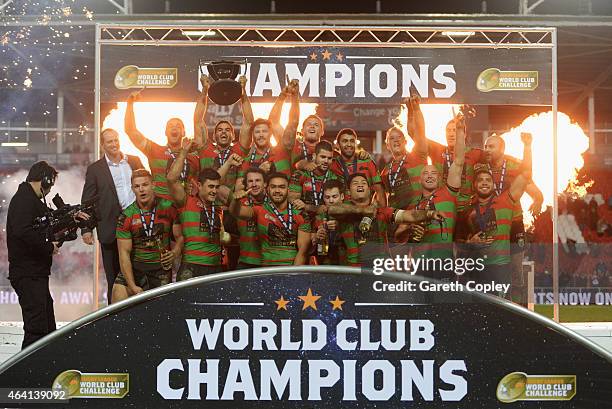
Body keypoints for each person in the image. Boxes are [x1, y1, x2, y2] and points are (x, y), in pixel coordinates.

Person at [7, 161, 88, 349]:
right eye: (50, 183)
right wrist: (47, 247)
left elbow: (52, 223)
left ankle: (43, 370)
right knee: (36, 329)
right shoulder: (24, 199)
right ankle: (28, 374)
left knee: (47, 327)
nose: (51, 189)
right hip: (28, 273)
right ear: (45, 179)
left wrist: (72, 219)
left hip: (35, 273)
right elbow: (23, 231)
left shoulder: (32, 200)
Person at [456, 132, 533, 297]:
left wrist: (527, 147)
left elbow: (526, 174)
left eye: (488, 180)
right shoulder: (467, 210)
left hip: (499, 268)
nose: (484, 182)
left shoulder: (505, 201)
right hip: (475, 268)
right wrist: (470, 242)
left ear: (493, 185)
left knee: (503, 307)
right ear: (474, 185)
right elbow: (457, 243)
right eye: (480, 180)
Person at [80, 128, 144, 305]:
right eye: (110, 142)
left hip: (137, 228)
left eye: (116, 140)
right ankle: (115, 320)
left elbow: (146, 187)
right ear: (102, 145)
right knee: (115, 280)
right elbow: (87, 202)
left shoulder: (134, 161)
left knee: (139, 277)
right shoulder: (95, 169)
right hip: (110, 231)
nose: (114, 144)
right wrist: (86, 229)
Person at [399, 115, 466, 279]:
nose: (429, 176)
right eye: (425, 173)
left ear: (439, 178)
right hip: (419, 267)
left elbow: (458, 161)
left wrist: (459, 130)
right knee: (420, 305)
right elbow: (398, 235)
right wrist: (409, 228)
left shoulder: (448, 194)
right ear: (420, 179)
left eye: (433, 173)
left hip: (444, 266)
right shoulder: (414, 205)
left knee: (444, 304)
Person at [327, 173, 443, 267]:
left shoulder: (382, 212)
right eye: (355, 183)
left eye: (363, 183)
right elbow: (332, 209)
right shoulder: (343, 211)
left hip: (381, 268)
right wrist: (363, 210)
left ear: (370, 190)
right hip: (355, 271)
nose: (360, 185)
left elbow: (409, 215)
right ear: (348, 192)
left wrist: (429, 213)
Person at [112, 169, 182, 302]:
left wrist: (174, 253)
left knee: (160, 314)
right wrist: (132, 286)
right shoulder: (126, 216)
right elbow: (124, 254)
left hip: (159, 270)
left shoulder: (168, 208)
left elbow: (180, 238)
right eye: (137, 186)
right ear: (132, 189)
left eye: (145, 185)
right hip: (135, 269)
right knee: (117, 295)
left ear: (153, 185)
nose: (141, 190)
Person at [124, 90, 200, 200]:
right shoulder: (154, 150)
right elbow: (131, 130)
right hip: (161, 209)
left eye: (178, 126)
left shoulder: (193, 156)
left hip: (184, 209)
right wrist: (130, 103)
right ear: (165, 132)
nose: (174, 128)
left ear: (183, 132)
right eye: (170, 126)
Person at [168, 139, 226, 278]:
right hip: (192, 267)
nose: (214, 191)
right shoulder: (186, 201)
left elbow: (223, 237)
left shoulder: (217, 209)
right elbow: (171, 179)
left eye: (217, 187)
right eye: (210, 187)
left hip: (216, 268)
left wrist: (227, 239)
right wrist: (184, 152)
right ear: (199, 186)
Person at [230, 172, 311, 266]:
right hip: (267, 269)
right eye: (273, 187)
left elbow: (303, 251)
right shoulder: (260, 210)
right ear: (268, 189)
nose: (277, 190)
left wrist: (293, 274)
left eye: (282, 187)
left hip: (290, 267)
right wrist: (235, 200)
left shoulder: (300, 213)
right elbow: (236, 212)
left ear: (288, 190)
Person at [380, 94, 428, 211]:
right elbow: (382, 198)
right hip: (398, 220)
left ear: (406, 141)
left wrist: (414, 110)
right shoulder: (386, 171)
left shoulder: (417, 156)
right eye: (392, 138)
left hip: (419, 216)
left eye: (399, 137)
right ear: (387, 145)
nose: (396, 140)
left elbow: (420, 132)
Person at [288, 140, 342, 219]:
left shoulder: (334, 178)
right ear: (314, 156)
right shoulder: (300, 174)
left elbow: (335, 206)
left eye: (329, 158)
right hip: (303, 218)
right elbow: (292, 200)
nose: (326, 161)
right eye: (323, 157)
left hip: (325, 220)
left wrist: (308, 207)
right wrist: (313, 208)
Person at [235, 168, 267, 269]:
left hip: (268, 263)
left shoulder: (275, 202)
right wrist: (234, 199)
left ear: (265, 184)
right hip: (245, 262)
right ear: (246, 185)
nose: (254, 184)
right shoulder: (239, 202)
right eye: (250, 181)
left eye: (258, 180)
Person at [312, 179, 347, 265]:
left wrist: (340, 226)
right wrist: (319, 239)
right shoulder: (318, 219)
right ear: (323, 198)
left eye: (334, 197)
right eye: (327, 197)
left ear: (342, 196)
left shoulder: (351, 215)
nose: (331, 201)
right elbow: (320, 253)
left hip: (348, 265)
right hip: (327, 267)